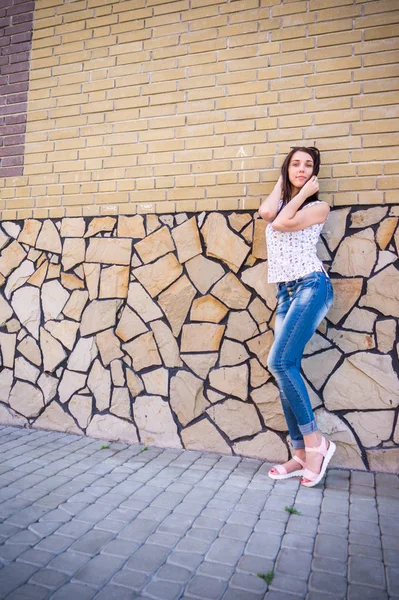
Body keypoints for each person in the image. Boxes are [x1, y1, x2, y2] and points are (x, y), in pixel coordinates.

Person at [258, 146, 336, 488]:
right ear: (286, 168)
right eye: (295, 164)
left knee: (280, 362)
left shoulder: (319, 207)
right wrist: (283, 183)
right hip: (286, 293)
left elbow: (283, 222)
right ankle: (301, 453)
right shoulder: (279, 201)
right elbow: (266, 212)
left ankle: (317, 443)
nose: (302, 169)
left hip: (311, 285)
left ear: (315, 173)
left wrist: (303, 192)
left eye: (308, 165)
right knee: (284, 369)